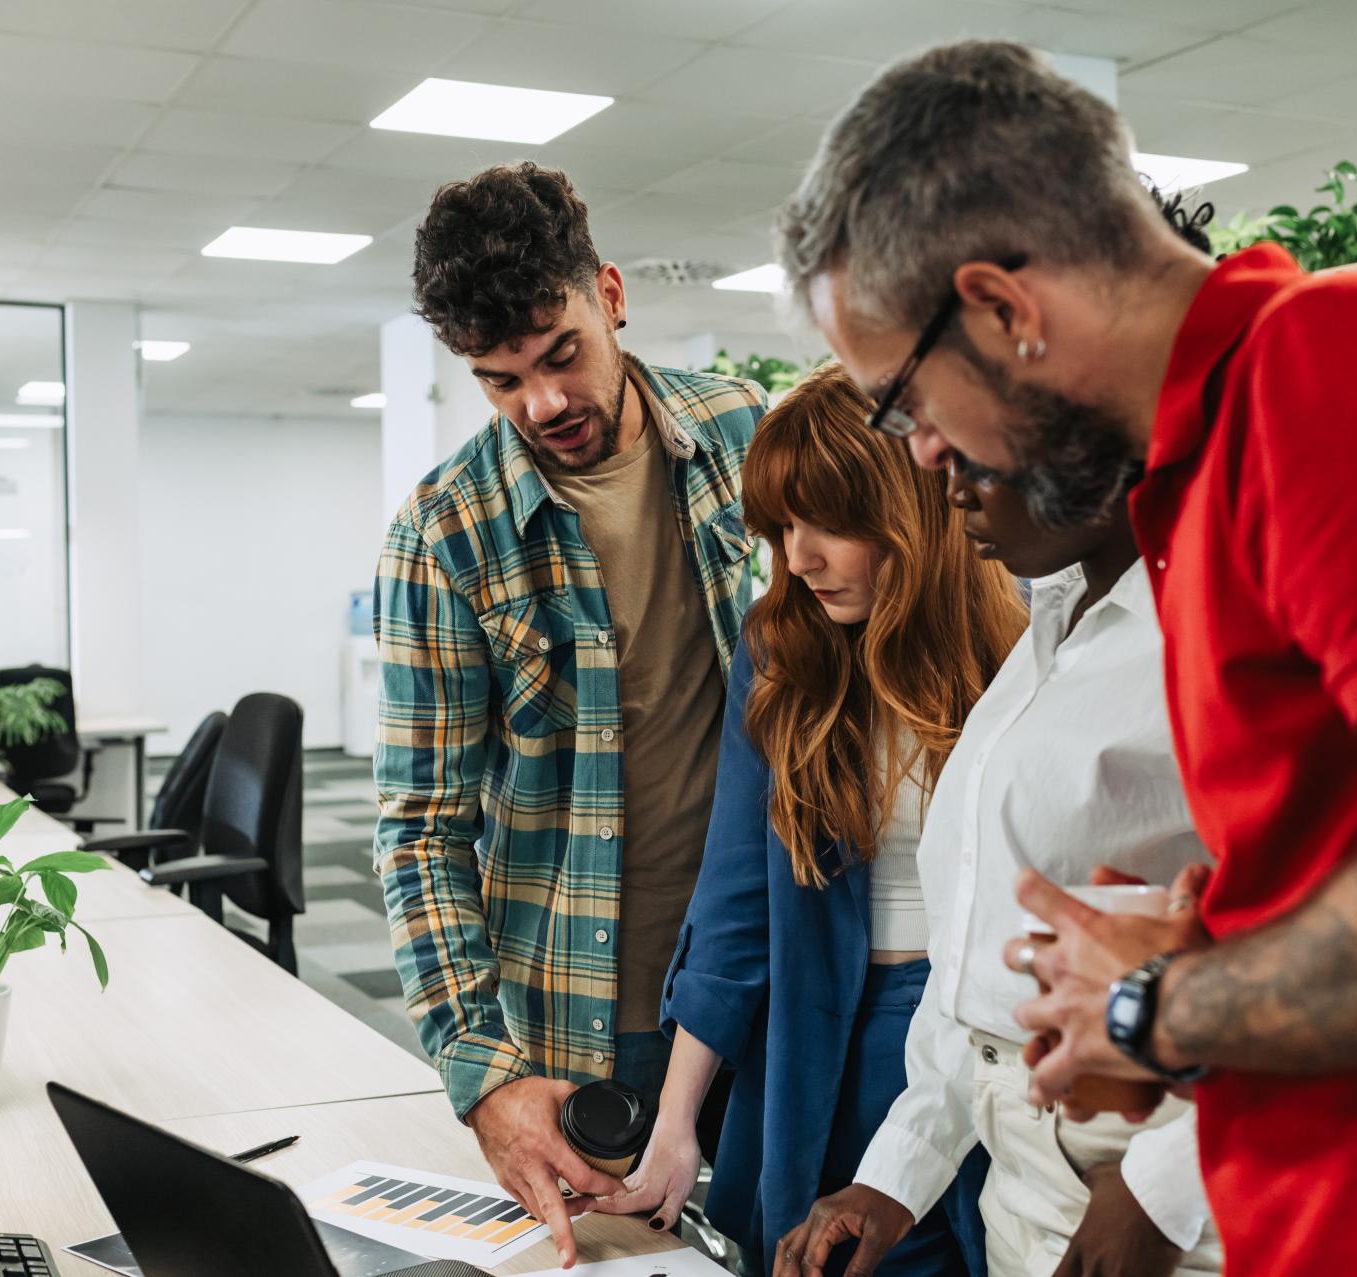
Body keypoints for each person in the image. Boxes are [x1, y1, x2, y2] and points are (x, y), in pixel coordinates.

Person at [775, 38, 1357, 1277]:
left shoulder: (1335, 363)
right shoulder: (1195, 495)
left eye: (905, 404)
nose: (920, 455)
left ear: (1006, 310)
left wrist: (1155, 1006)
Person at [777, 190, 1226, 1277]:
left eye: (953, 415)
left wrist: (1163, 1194)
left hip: (1170, 1193)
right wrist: (894, 1177)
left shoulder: (1223, 635)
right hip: (1026, 1163)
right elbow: (977, 964)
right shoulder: (1052, 624)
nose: (928, 458)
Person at [374, 161, 767, 1269]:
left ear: (610, 293)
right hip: (582, 1021)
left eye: (561, 353)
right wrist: (481, 1071)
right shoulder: (446, 533)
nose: (544, 403)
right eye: (502, 381)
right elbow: (420, 827)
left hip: (766, 984)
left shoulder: (744, 435)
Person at [597, 362, 1022, 1274]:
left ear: (910, 509)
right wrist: (675, 1127)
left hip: (988, 1032)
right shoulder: (781, 648)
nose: (799, 556)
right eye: (783, 526)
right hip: (829, 1030)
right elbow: (735, 907)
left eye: (829, 523)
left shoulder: (1023, 640)